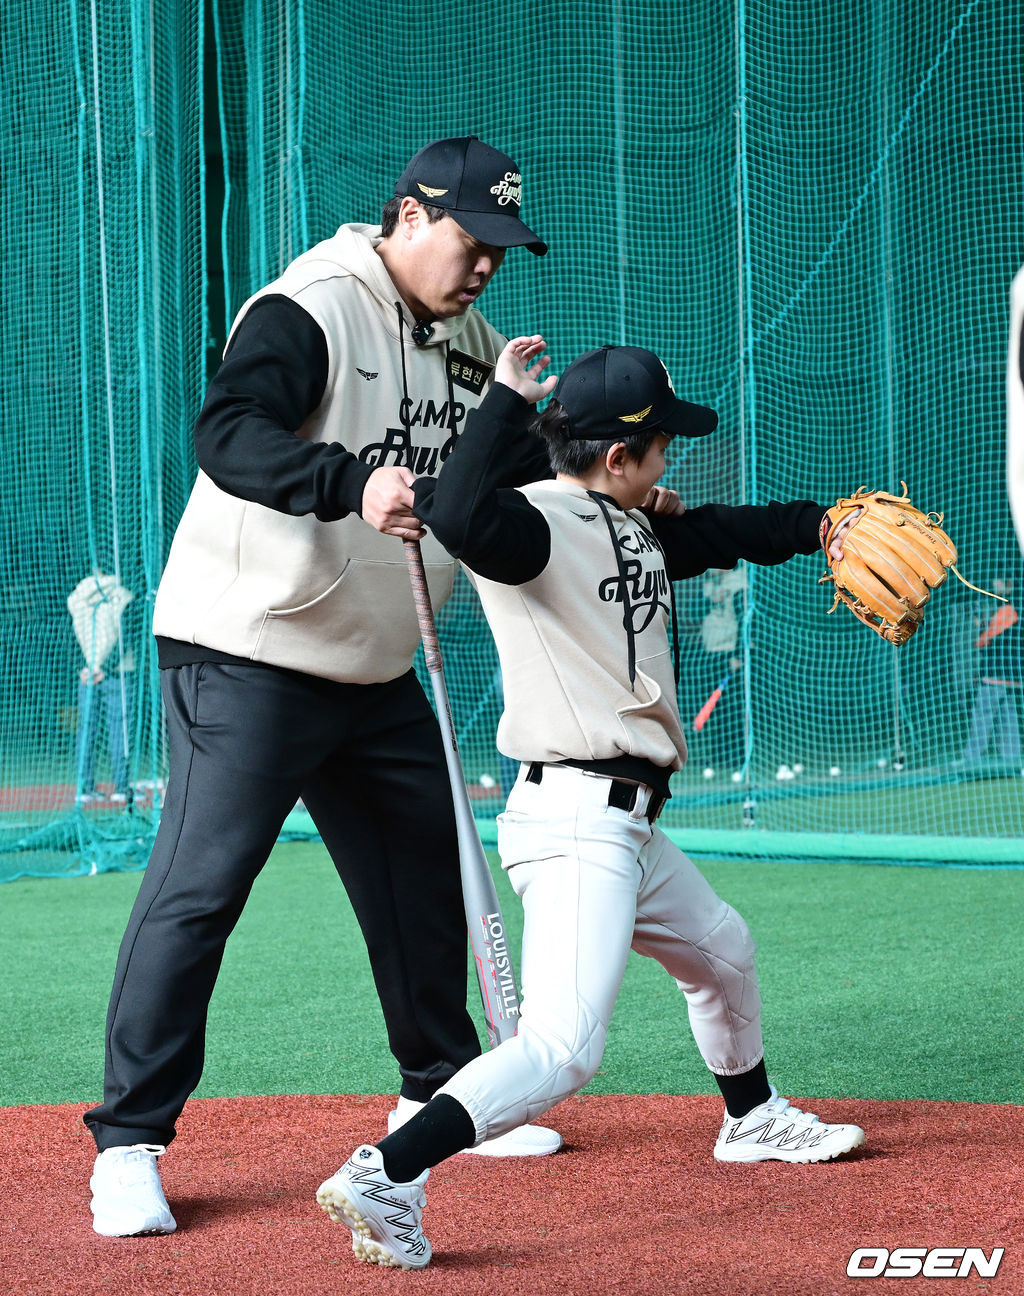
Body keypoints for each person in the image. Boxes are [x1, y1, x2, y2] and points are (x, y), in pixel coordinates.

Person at [85, 137, 562, 1241]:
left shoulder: (472, 344)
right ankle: (127, 1144)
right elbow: (226, 434)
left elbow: (518, 474)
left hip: (373, 662)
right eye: (471, 240)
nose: (486, 265)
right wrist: (348, 483)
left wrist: (619, 495)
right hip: (246, 650)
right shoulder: (312, 304)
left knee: (420, 876)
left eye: (502, 249)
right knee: (202, 888)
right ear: (409, 216)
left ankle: (434, 1092)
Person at [314, 338, 866, 1270]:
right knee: (564, 1047)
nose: (671, 459)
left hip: (627, 825)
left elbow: (722, 532)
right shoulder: (530, 527)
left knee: (722, 951)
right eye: (663, 445)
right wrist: (501, 402)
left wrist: (818, 526)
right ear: (618, 455)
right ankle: (388, 1172)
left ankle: (752, 1118)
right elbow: (458, 512)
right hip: (575, 820)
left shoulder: (631, 523)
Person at [67, 569, 133, 805]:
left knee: (86, 731)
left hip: (87, 674)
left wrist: (84, 667)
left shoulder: (77, 599)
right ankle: (121, 787)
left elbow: (70, 635)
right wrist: (104, 667)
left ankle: (85, 788)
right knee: (119, 730)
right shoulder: (122, 596)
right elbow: (127, 636)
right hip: (117, 672)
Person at [960, 579, 1022, 773]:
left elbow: (983, 641)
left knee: (982, 716)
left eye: (999, 580)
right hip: (1012, 677)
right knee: (1007, 717)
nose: (995, 584)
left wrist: (981, 628)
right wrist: (984, 624)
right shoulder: (1011, 610)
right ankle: (1012, 760)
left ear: (1008, 583)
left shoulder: (1008, 610)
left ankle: (970, 760)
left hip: (996, 674)